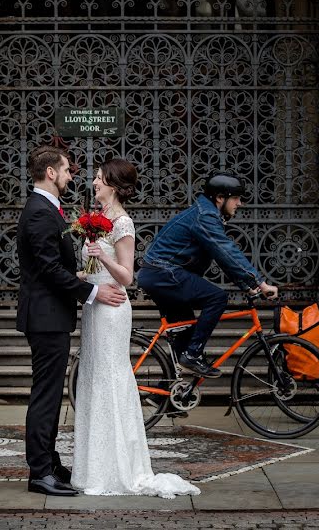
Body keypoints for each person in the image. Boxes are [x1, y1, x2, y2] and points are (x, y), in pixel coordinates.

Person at [71, 158, 199, 499]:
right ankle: (93, 467)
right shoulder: (95, 221)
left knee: (112, 376)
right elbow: (90, 268)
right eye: (94, 178)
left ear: (113, 185)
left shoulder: (122, 223)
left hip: (113, 308)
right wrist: (80, 278)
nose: (93, 183)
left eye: (99, 179)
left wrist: (103, 256)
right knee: (93, 375)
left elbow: (128, 276)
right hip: (94, 305)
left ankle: (119, 468)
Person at [16, 145, 126, 497]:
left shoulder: (46, 209)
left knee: (48, 393)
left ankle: (50, 462)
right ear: (50, 173)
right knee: (46, 396)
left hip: (52, 315)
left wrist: (76, 273)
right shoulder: (39, 212)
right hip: (46, 317)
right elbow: (47, 270)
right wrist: (91, 293)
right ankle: (40, 472)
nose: (69, 176)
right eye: (65, 171)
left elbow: (49, 264)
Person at [137, 173, 278, 378]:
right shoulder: (205, 216)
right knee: (217, 297)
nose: (240, 203)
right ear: (220, 198)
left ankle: (171, 396)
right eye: (236, 197)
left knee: (183, 338)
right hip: (164, 273)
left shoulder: (204, 214)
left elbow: (222, 257)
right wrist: (260, 282)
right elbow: (226, 250)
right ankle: (193, 355)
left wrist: (247, 285)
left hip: (162, 275)